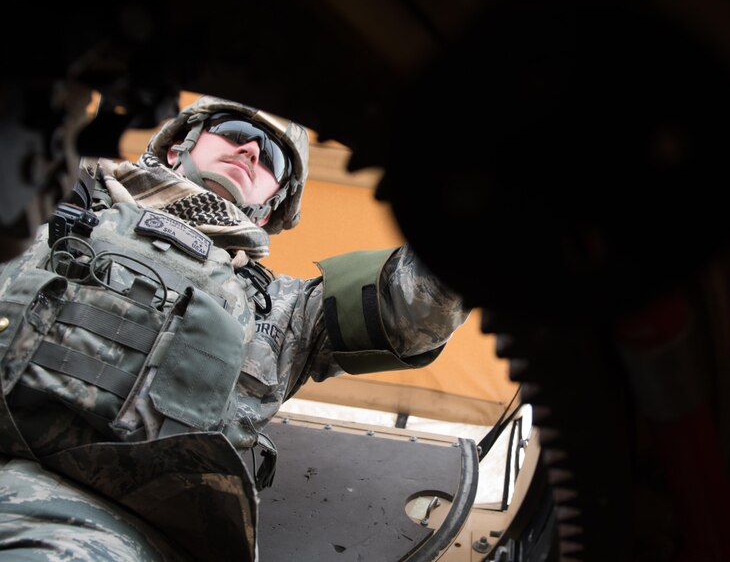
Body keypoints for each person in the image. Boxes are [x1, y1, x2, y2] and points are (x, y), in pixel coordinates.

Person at [0, 95, 470, 561]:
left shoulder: (287, 312)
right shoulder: (42, 191)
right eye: (237, 132)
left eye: (272, 157)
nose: (250, 151)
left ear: (269, 208)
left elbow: (413, 307)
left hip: (105, 526)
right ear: (177, 146)